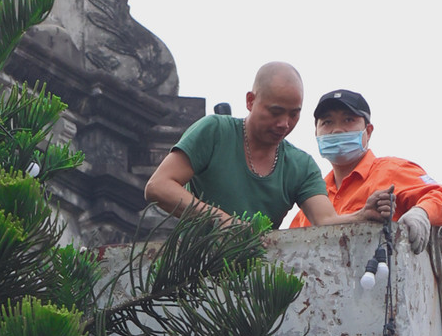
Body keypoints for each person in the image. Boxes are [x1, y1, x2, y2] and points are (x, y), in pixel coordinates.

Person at [144, 63, 393, 229]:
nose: (284, 124)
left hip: (256, 283)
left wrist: (361, 215)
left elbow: (325, 220)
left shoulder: (301, 166)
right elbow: (158, 187)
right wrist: (225, 224)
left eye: (294, 114)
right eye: (275, 112)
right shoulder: (214, 131)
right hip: (193, 273)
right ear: (251, 101)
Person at [289, 88, 442, 252]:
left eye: (348, 120)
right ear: (316, 133)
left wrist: (421, 213)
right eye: (327, 122)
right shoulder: (314, 195)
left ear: (369, 131)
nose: (337, 130)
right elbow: (289, 247)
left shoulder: (391, 171)